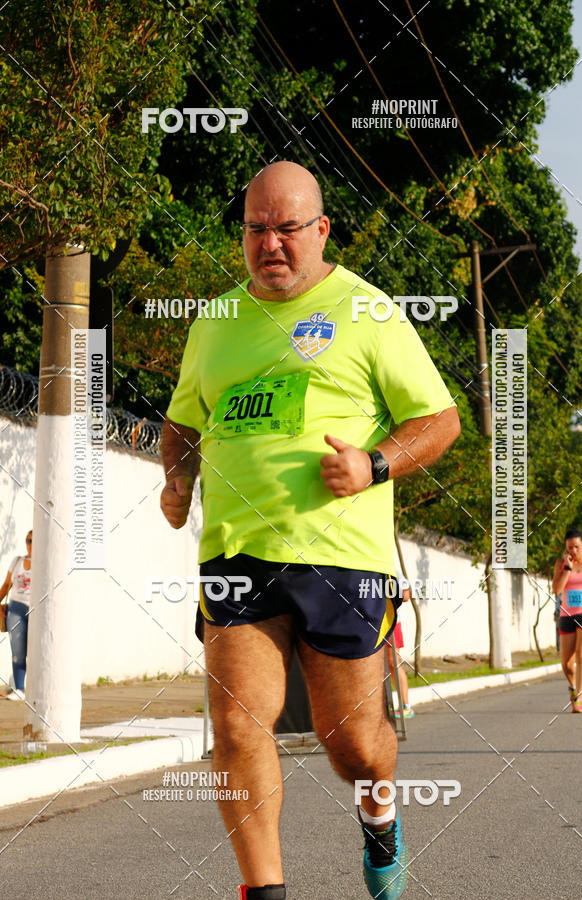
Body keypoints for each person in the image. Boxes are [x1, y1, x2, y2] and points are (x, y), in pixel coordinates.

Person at [160, 161, 460, 900]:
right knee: (237, 726)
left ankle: (380, 816)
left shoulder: (369, 311)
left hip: (342, 558)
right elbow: (183, 420)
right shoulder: (215, 321)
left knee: (351, 744)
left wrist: (375, 464)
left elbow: (439, 419)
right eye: (255, 229)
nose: (270, 244)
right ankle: (265, 892)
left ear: (321, 230)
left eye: (287, 229)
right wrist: (177, 478)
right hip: (237, 555)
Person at [552, 527, 582, 713]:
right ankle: (573, 687)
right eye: (569, 547)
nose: (573, 550)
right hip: (567, 615)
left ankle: (579, 699)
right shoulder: (561, 564)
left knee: (581, 654)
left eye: (576, 547)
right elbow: (557, 590)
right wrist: (567, 568)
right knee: (566, 664)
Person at [0, 530, 33, 701]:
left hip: (35, 610)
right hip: (16, 609)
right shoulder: (17, 561)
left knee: (36, 649)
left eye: (33, 541)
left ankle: (36, 687)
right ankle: (19, 689)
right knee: (18, 650)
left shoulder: (43, 562)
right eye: (28, 540)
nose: (30, 544)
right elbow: (6, 585)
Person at [386, 589, 414, 720]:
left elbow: (406, 596)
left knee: (393, 663)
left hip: (391, 623)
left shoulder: (397, 575)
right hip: (371, 623)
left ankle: (406, 706)